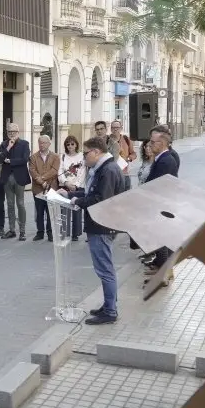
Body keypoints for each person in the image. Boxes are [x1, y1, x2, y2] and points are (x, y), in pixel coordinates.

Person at [62, 137, 123, 325]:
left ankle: (110, 311)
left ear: (97, 152)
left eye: (86, 153)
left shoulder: (108, 170)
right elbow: (91, 193)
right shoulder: (103, 168)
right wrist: (70, 194)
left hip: (102, 226)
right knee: (104, 268)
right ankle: (108, 305)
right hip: (101, 225)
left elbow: (99, 200)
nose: (84, 158)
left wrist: (76, 201)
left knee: (105, 269)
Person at [143, 126, 180, 281]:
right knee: (160, 239)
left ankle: (164, 274)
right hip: (160, 205)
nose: (150, 145)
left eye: (153, 142)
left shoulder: (166, 161)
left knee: (163, 240)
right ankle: (165, 270)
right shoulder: (161, 159)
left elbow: (159, 186)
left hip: (163, 206)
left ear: (163, 143)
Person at [0, 123, 31, 241]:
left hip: (19, 178)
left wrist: (10, 161)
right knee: (10, 205)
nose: (12, 134)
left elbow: (25, 159)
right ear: (7, 133)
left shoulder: (24, 144)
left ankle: (22, 231)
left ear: (18, 132)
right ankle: (12, 230)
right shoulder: (4, 144)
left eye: (14, 131)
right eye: (9, 132)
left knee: (20, 204)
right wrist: (8, 148)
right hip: (7, 178)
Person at [27, 135, 60, 242]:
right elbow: (32, 171)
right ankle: (40, 232)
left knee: (50, 211)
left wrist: (43, 179)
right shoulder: (33, 157)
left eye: (44, 142)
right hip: (38, 189)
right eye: (40, 142)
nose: (42, 145)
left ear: (49, 144)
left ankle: (50, 233)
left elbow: (54, 170)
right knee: (39, 212)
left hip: (51, 189)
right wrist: (42, 182)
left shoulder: (55, 156)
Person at [58, 135, 86, 241]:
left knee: (76, 209)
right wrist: (66, 182)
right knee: (64, 209)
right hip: (65, 186)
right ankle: (65, 231)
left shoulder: (82, 156)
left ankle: (76, 233)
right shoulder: (62, 156)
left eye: (72, 144)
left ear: (76, 145)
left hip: (78, 186)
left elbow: (83, 172)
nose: (70, 146)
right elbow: (60, 172)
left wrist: (76, 185)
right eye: (68, 144)